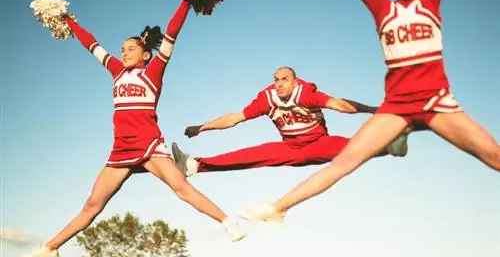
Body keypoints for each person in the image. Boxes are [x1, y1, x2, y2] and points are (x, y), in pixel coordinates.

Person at [238, 0, 500, 223]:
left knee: (493, 156)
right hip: (397, 107)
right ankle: (278, 208)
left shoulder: (430, 1)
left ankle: (403, 136)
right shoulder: (382, 9)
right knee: (345, 161)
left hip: (436, 102)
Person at [17, 0, 245, 257]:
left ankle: (227, 222)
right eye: (122, 49)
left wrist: (186, 0)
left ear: (145, 54)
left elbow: (172, 33)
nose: (124, 53)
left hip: (149, 145)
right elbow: (91, 44)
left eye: (131, 49)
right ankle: (50, 247)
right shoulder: (116, 72)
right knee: (92, 205)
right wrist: (68, 20)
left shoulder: (154, 73)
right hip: (121, 150)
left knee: (181, 188)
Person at [170, 66, 409, 177]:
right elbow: (234, 118)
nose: (280, 84)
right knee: (250, 155)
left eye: (285, 79)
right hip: (291, 148)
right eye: (276, 80)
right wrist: (202, 127)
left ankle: (390, 144)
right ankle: (193, 166)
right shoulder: (267, 98)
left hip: (318, 143)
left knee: (352, 146)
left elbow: (341, 105)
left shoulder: (306, 93)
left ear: (295, 81)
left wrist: (376, 110)